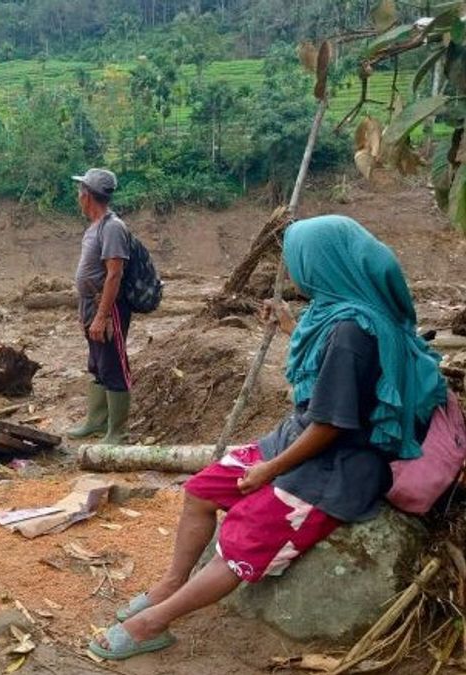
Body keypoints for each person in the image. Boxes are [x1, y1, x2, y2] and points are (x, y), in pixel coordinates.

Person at [89, 216, 446, 661]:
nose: (291, 269)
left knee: (241, 540)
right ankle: (172, 582)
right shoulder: (337, 311)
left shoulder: (354, 332)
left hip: (337, 466)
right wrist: (290, 324)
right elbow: (336, 377)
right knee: (202, 491)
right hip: (301, 444)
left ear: (322, 263)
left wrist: (269, 471)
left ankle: (151, 625)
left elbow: (332, 423)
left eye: (296, 258)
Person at [66, 168, 133, 445]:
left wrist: (103, 315)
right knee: (97, 364)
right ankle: (96, 422)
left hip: (108, 309)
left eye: (80, 192)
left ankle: (117, 432)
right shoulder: (95, 226)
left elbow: (115, 273)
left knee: (113, 364)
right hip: (91, 306)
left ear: (87, 196)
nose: (78, 197)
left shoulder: (113, 227)